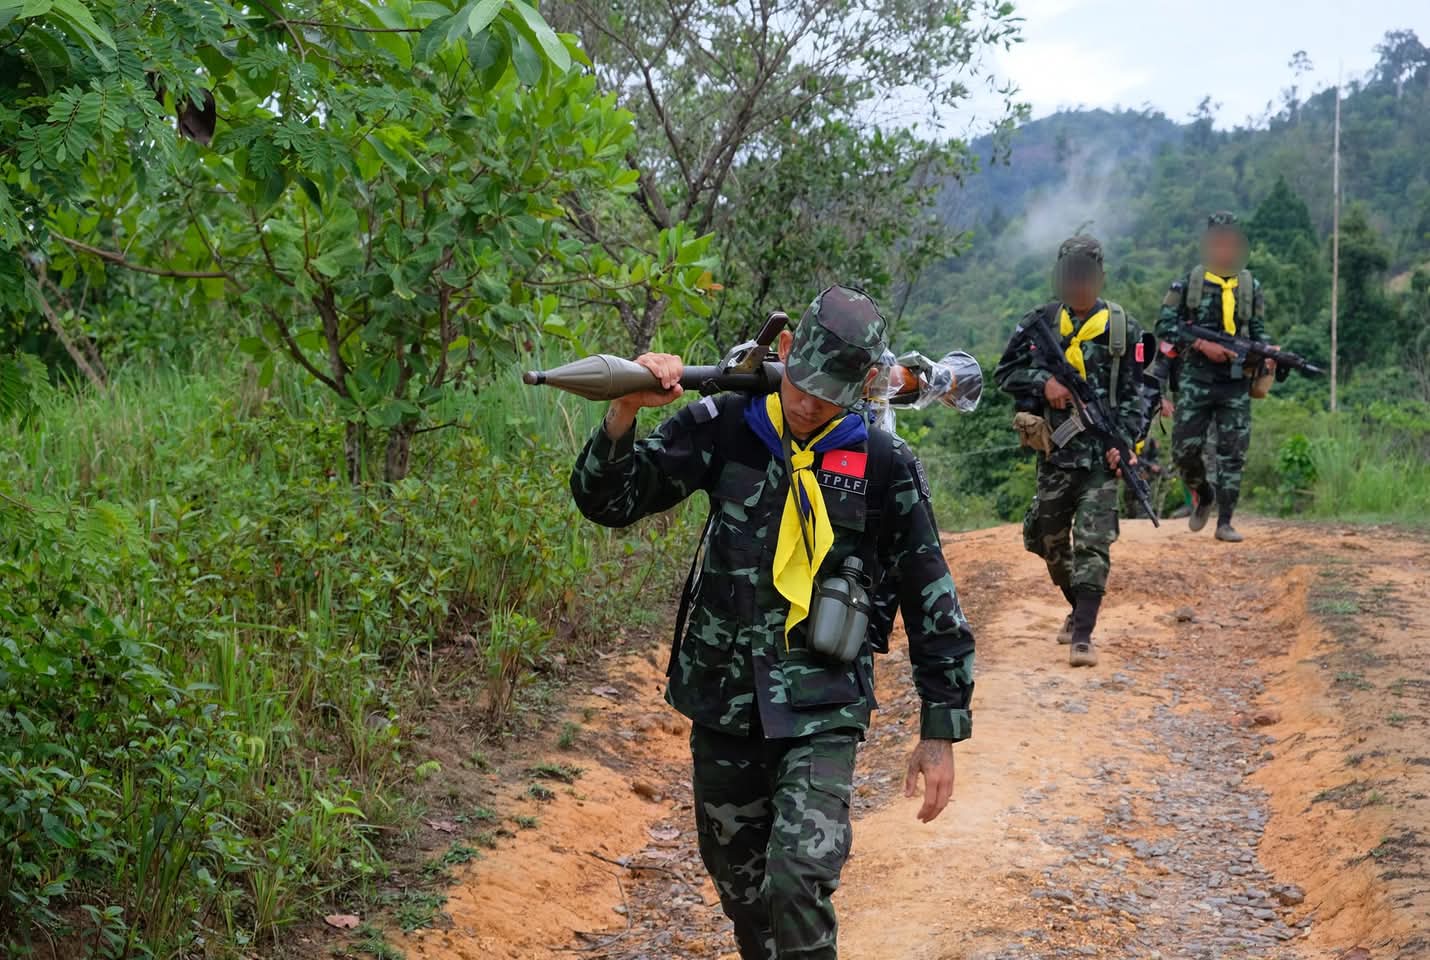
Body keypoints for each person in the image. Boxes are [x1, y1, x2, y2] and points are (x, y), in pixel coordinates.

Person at [569, 285, 975, 960]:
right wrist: (624, 413)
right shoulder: (726, 425)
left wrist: (941, 730)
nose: (810, 402)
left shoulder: (885, 466)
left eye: (832, 392)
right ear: (785, 351)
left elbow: (932, 600)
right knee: (745, 893)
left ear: (867, 384)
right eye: (804, 383)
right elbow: (609, 500)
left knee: (797, 879)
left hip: (822, 708)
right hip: (723, 703)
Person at [994, 235, 1145, 668]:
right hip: (1055, 456)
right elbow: (1005, 373)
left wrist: (1128, 446)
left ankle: (1083, 635)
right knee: (1048, 540)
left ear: (1100, 277)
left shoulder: (1123, 328)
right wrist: (1045, 384)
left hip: (1101, 459)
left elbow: (1141, 392)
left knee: (1094, 544)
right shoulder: (1039, 322)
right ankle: (1076, 606)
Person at [1155, 212, 1269, 542]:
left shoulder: (1250, 286)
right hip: (1195, 379)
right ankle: (1203, 494)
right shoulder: (1188, 284)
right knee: (1184, 451)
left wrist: (1265, 350)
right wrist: (1202, 344)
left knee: (1233, 453)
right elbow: (1165, 326)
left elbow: (1258, 330)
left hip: (1235, 381)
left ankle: (1226, 522)